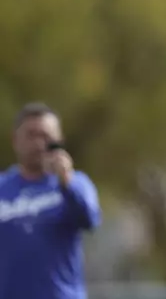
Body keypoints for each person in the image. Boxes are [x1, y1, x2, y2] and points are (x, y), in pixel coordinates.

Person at [0, 102, 102, 299]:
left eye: (46, 136)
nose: (38, 143)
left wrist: (66, 181)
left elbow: (90, 219)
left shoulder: (76, 183)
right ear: (15, 139)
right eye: (31, 135)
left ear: (59, 140)